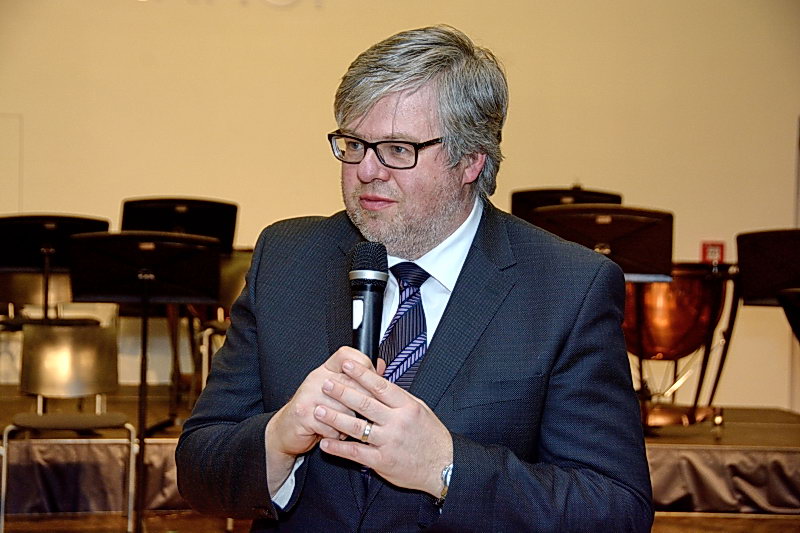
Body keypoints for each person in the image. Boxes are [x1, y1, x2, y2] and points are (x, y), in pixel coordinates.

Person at [176, 25, 653, 532]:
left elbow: (615, 509)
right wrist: (279, 437)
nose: (367, 171)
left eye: (399, 149)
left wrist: (446, 468)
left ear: (471, 160)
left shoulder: (567, 288)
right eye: (354, 144)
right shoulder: (288, 258)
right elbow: (198, 469)